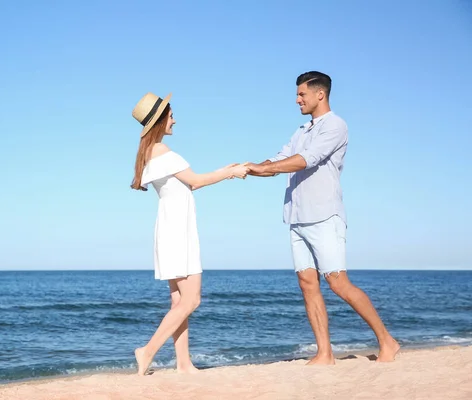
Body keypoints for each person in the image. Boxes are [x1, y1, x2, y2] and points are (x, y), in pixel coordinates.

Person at [246, 71, 400, 364]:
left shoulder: (336, 126)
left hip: (324, 215)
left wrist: (265, 168)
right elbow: (279, 158)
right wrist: (250, 167)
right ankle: (325, 353)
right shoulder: (301, 130)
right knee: (307, 283)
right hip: (296, 216)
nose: (297, 99)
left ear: (320, 94)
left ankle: (387, 341)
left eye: (301, 94)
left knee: (338, 283)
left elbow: (306, 160)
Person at [130, 92, 248, 375]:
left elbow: (191, 183)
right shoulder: (162, 152)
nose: (174, 120)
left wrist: (225, 170)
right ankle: (147, 351)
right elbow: (195, 181)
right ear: (159, 120)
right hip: (177, 231)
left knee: (179, 302)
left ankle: (183, 363)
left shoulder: (151, 152)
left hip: (171, 228)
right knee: (192, 300)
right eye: (171, 115)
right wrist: (230, 172)